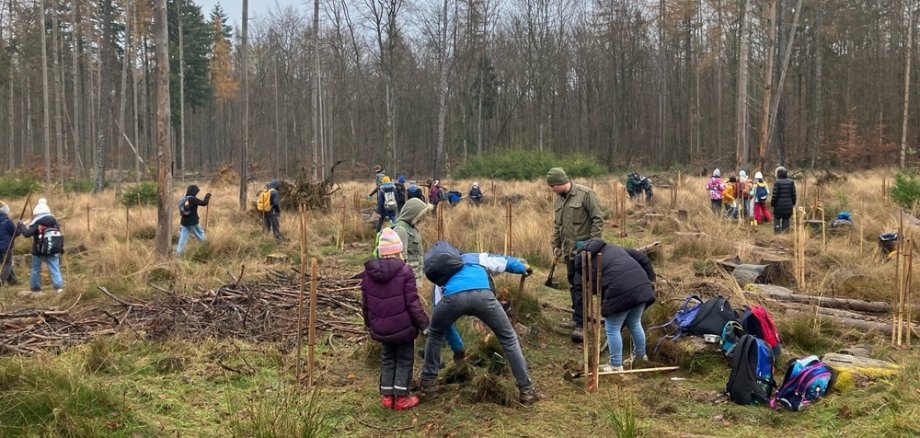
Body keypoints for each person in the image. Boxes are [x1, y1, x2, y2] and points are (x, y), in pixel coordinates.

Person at [419, 241, 538, 405]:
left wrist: (458, 348)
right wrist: (522, 268)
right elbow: (504, 262)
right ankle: (526, 390)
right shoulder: (477, 257)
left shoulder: (441, 276)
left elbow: (444, 325)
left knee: (435, 334)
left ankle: (428, 384)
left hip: (452, 300)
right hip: (483, 297)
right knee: (508, 338)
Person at [361, 228, 429, 411]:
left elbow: (365, 304)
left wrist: (369, 324)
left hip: (381, 329)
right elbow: (413, 303)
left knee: (388, 358)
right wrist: (424, 325)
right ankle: (401, 399)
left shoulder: (368, 274)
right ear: (397, 251)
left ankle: (387, 397)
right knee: (405, 359)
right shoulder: (405, 271)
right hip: (403, 328)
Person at [573, 238, 656, 372]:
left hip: (622, 289)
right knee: (634, 323)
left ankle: (616, 365)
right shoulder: (611, 248)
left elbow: (597, 289)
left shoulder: (589, 261)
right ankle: (641, 357)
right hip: (643, 286)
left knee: (612, 327)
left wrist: (604, 307)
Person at [547, 167, 605, 343]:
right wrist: (556, 244)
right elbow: (558, 225)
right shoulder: (558, 200)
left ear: (559, 183)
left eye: (552, 186)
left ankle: (581, 324)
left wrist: (592, 245)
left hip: (585, 253)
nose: (551, 190)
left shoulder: (586, 194)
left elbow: (598, 219)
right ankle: (578, 317)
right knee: (573, 285)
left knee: (582, 287)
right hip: (569, 252)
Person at [16, 198, 64, 295]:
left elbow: (26, 234)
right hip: (54, 250)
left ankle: (36, 288)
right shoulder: (55, 223)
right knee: (55, 268)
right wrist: (61, 248)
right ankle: (59, 288)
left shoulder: (37, 223)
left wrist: (21, 225)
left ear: (37, 213)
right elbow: (60, 236)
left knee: (35, 269)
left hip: (38, 251)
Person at [176, 185, 211, 256]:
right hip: (193, 222)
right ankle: (206, 248)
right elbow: (204, 203)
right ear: (194, 191)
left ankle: (179, 253)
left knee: (183, 238)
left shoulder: (185, 199)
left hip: (184, 222)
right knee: (200, 234)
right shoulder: (192, 199)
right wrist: (207, 196)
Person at [771, 166, 797, 234]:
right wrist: (793, 203)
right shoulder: (791, 182)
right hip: (788, 206)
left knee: (777, 218)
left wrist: (773, 204)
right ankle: (785, 234)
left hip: (778, 206)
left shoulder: (777, 182)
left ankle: (777, 233)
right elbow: (793, 195)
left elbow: (775, 195)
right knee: (786, 219)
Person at [0, 202, 19, 286]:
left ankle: (12, 281)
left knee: (5, 263)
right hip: (6, 247)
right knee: (7, 265)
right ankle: (1, 281)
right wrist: (20, 226)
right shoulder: (7, 222)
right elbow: (15, 233)